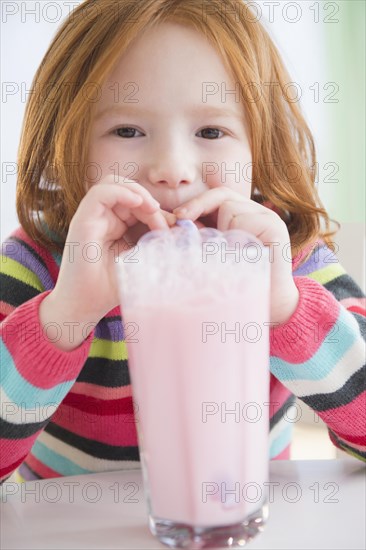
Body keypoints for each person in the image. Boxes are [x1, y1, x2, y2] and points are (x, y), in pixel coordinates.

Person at [1, 0, 365, 485]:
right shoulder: (38, 263)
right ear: (65, 143)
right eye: (126, 130)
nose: (172, 168)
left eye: (211, 130)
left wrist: (283, 309)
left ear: (261, 145)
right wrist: (65, 316)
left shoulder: (284, 255)